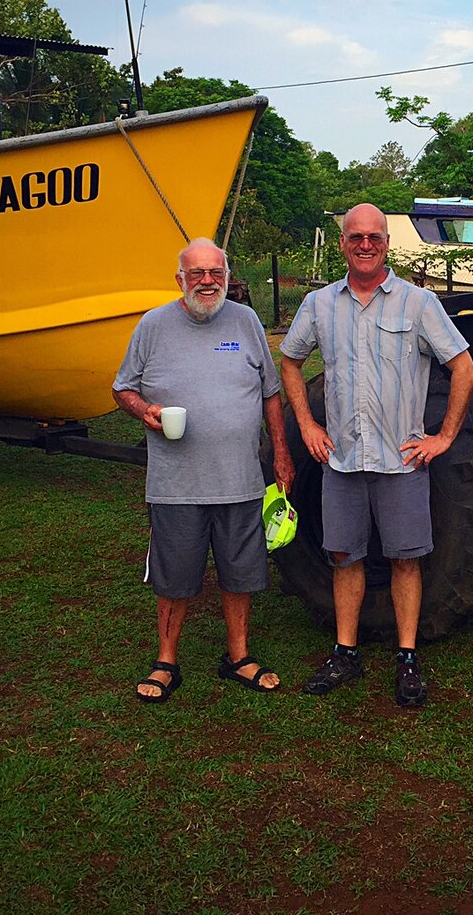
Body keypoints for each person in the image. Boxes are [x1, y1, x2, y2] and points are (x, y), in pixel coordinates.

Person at [280, 203, 473, 707]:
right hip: (341, 463)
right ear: (342, 243)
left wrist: (445, 436)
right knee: (345, 558)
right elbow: (290, 361)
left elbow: (463, 367)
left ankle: (407, 658)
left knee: (405, 562)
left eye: (374, 237)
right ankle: (345, 652)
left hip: (401, 462)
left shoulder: (419, 304)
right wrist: (306, 423)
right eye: (355, 237)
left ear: (387, 243)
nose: (365, 245)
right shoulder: (319, 305)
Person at [113, 238, 295, 703]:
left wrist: (280, 453)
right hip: (176, 484)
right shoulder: (153, 326)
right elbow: (122, 389)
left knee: (241, 572)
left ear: (228, 277)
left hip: (239, 480)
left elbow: (270, 392)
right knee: (174, 576)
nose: (208, 282)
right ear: (180, 280)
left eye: (217, 272)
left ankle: (238, 656)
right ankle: (166, 660)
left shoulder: (247, 321)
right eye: (197, 274)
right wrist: (145, 411)